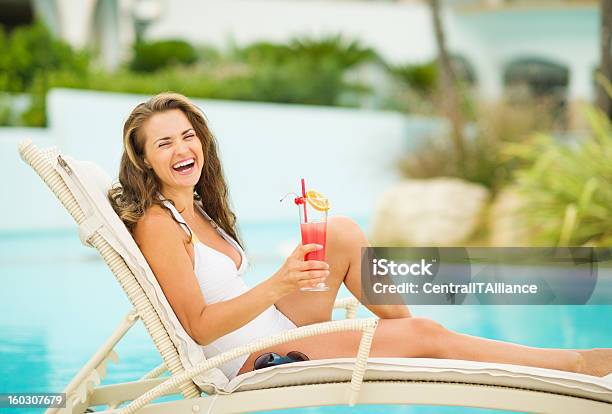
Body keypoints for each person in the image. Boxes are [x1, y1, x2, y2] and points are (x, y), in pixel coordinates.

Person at [109, 92, 612, 381]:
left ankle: (416, 345)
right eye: (164, 143)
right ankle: (573, 363)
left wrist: (280, 288)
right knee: (427, 337)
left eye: (189, 135)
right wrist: (278, 285)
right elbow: (198, 327)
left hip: (270, 325)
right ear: (146, 160)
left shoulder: (194, 208)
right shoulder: (158, 223)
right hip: (252, 357)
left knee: (343, 234)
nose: (182, 148)